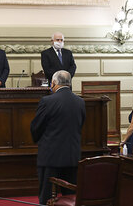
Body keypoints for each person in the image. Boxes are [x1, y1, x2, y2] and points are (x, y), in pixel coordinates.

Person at [30, 70, 85, 205]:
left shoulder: (47, 101)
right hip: (72, 157)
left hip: (50, 157)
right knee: (71, 197)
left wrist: (37, 139)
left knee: (46, 197)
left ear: (53, 83)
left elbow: (36, 127)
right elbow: (80, 124)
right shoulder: (80, 102)